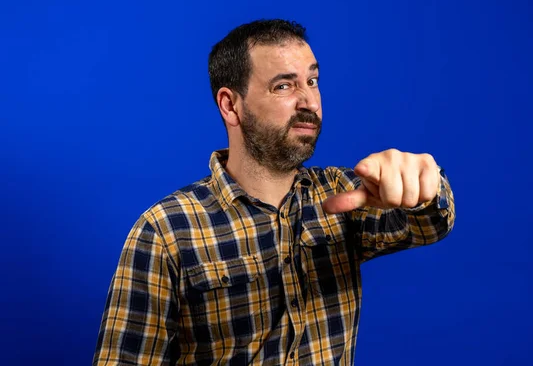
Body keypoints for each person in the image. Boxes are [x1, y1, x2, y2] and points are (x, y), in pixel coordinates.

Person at [93, 19, 456, 366]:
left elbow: (429, 225)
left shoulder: (343, 195)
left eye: (312, 81)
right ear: (230, 105)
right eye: (284, 86)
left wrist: (423, 188)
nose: (309, 102)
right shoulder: (165, 231)